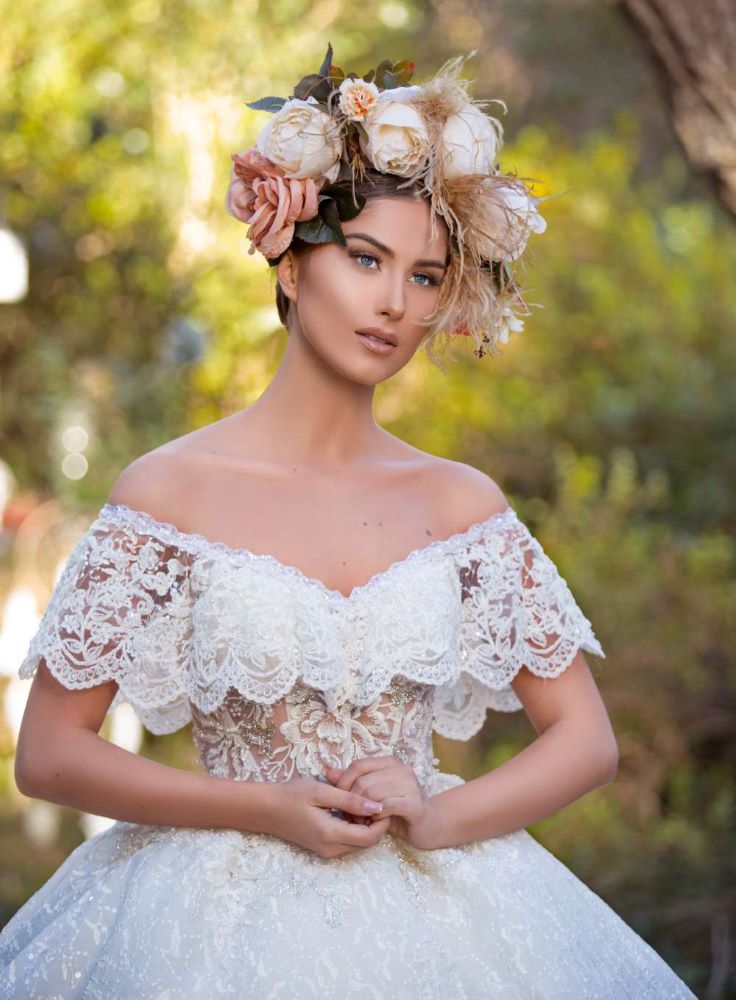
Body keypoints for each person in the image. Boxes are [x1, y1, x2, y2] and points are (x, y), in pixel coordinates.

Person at [0, 44, 696, 999]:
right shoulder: (167, 494)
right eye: (366, 258)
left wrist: (441, 816)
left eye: (423, 277)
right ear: (290, 264)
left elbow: (586, 739)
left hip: (443, 920)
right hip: (204, 924)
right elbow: (48, 754)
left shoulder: (460, 505)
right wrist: (262, 808)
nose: (394, 304)